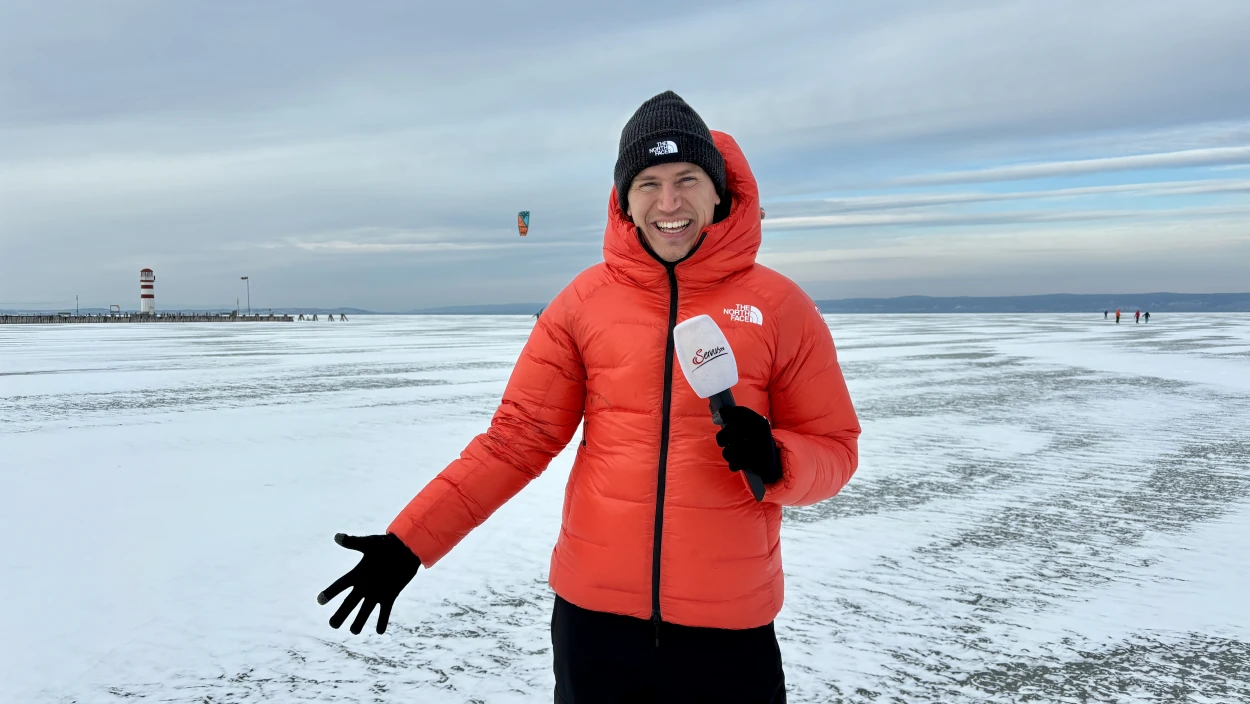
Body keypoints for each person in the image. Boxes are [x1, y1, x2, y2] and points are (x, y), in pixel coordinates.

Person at [316, 91, 861, 703]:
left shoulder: (782, 308)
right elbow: (515, 440)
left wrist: (780, 458)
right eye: (648, 183)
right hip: (595, 622)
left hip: (729, 626)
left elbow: (836, 450)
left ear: (719, 191)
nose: (669, 202)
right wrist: (410, 543)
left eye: (687, 179)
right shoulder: (582, 303)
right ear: (624, 200)